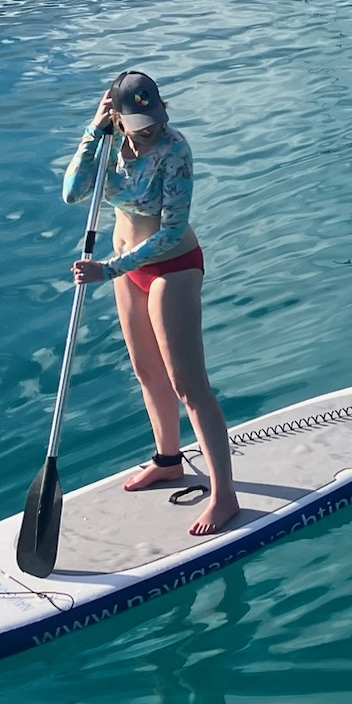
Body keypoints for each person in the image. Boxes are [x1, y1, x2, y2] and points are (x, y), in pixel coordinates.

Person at [65, 71, 238, 536]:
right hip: (125, 266)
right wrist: (91, 133)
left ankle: (225, 495)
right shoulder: (106, 145)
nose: (150, 130)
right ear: (117, 117)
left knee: (188, 383)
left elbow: (168, 231)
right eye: (137, 122)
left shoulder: (175, 151)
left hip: (173, 265)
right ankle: (168, 460)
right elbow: (73, 192)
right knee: (146, 372)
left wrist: (109, 270)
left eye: (154, 119)